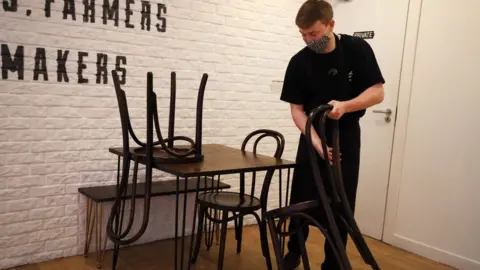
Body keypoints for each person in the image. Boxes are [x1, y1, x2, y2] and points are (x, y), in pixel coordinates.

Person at [279, 0, 385, 269]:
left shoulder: (356, 50)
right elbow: (297, 110)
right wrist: (315, 143)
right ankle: (294, 252)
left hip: (345, 138)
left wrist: (347, 106)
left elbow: (377, 92)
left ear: (331, 25)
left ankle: (334, 261)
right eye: (302, 34)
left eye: (313, 34)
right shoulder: (299, 62)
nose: (307, 39)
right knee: (301, 199)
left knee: (341, 201)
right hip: (312, 137)